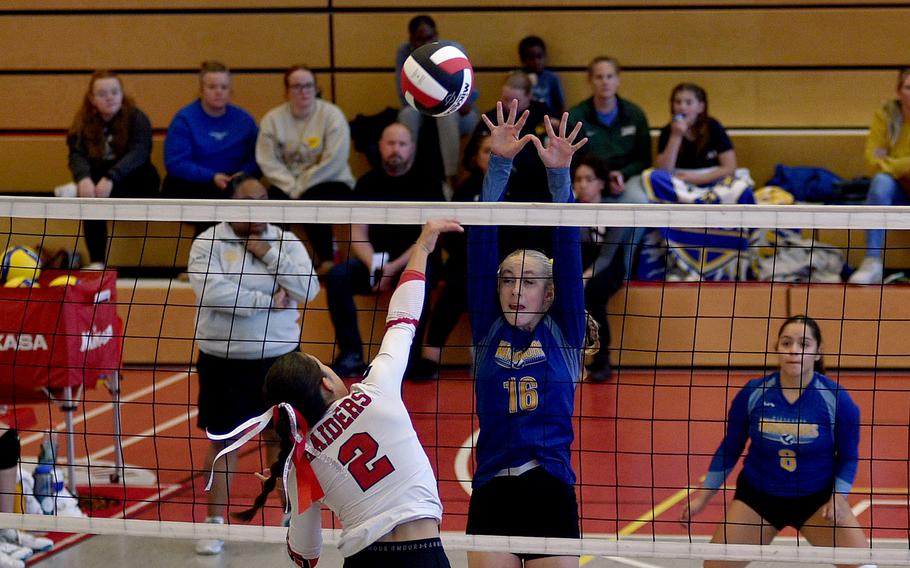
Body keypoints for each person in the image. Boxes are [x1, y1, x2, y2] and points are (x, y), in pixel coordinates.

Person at [210, 219, 463, 567]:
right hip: (423, 555)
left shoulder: (301, 459)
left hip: (364, 559)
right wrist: (422, 245)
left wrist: (295, 488)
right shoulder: (377, 389)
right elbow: (403, 317)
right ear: (326, 383)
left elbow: (306, 554)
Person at [466, 100, 588, 568]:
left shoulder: (565, 335)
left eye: (529, 282)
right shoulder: (488, 329)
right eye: (507, 280)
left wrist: (560, 176)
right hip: (493, 489)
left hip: (551, 491)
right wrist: (498, 165)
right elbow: (481, 240)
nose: (515, 291)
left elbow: (568, 247)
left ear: (550, 293)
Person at [187, 175, 320, 556]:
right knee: (222, 442)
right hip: (223, 360)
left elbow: (307, 288)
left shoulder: (284, 240)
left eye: (263, 199)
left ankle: (289, 517)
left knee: (282, 440)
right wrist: (268, 299)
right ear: (230, 203)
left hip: (280, 360)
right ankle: (214, 523)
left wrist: (267, 253)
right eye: (249, 201)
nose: (258, 207)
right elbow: (213, 292)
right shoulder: (208, 241)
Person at [681, 315, 870, 568]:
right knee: (715, 567)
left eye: (804, 344)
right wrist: (703, 498)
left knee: (864, 566)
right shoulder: (754, 393)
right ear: (777, 349)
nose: (794, 351)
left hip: (817, 500)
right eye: (786, 343)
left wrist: (839, 497)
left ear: (817, 352)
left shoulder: (837, 399)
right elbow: (730, 448)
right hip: (759, 499)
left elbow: (848, 457)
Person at [325, 122, 445, 379]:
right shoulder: (367, 183)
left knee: (424, 279)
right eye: (390, 143)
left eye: (402, 144)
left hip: (416, 259)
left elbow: (430, 236)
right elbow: (358, 234)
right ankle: (352, 355)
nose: (396, 150)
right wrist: (375, 266)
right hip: (375, 262)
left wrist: (395, 268)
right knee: (337, 277)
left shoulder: (429, 183)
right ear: (380, 146)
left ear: (411, 148)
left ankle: (409, 360)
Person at [256, 64, 356, 273]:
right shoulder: (272, 120)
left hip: (331, 180)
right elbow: (267, 161)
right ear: (286, 91)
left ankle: (326, 260)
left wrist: (303, 185)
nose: (303, 91)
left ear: (315, 88)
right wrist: (291, 186)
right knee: (271, 199)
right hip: (287, 184)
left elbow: (335, 160)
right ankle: (275, 261)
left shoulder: (332, 115)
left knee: (313, 197)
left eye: (308, 86)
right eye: (297, 86)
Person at [67, 70, 160, 269]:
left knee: (142, 174)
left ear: (122, 94)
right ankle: (97, 262)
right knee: (91, 198)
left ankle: (74, 191)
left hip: (137, 182)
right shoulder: (83, 123)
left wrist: (112, 177)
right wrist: (83, 178)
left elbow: (140, 152)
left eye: (114, 92)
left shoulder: (137, 118)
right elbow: (76, 154)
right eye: (102, 94)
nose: (110, 97)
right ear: (92, 99)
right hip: (102, 185)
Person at [567, 56, 651, 278]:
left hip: (625, 176)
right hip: (591, 176)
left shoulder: (635, 114)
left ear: (618, 80)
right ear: (591, 81)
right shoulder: (577, 116)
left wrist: (621, 175)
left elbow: (644, 159)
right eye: (599, 77)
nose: (605, 81)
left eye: (610, 76)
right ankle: (578, 272)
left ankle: (624, 270)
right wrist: (599, 180)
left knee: (639, 202)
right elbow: (572, 159)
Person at [422, 132, 492, 371]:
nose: (493, 157)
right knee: (456, 284)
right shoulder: (466, 188)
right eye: (487, 152)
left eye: (498, 152)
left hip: (506, 264)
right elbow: (452, 234)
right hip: (466, 263)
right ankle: (430, 356)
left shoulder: (519, 187)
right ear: (475, 157)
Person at [163, 61, 259, 233]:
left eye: (224, 87)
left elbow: (258, 157)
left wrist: (244, 173)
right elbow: (175, 162)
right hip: (194, 184)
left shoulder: (244, 120)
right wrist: (211, 176)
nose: (219, 91)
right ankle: (204, 258)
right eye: (212, 86)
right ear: (201, 90)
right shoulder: (184, 119)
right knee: (210, 204)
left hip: (234, 182)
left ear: (230, 90)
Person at [395, 14, 478, 187]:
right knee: (407, 114)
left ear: (437, 35)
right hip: (420, 108)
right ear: (411, 41)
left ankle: (451, 177)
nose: (426, 43)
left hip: (457, 111)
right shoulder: (404, 53)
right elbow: (404, 96)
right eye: (420, 40)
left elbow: (468, 100)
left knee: (446, 115)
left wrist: (447, 101)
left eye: (430, 37)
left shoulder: (453, 50)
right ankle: (406, 172)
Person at [849, 68, 910, 284]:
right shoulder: (885, 117)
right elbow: (872, 164)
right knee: (880, 183)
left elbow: (882, 161)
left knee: (885, 175)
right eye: (908, 88)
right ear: (898, 91)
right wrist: (904, 165)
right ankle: (872, 261)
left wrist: (891, 163)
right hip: (898, 193)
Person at [572, 154, 625, 382]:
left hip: (608, 267)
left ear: (601, 183)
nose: (583, 184)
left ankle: (602, 359)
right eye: (578, 179)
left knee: (593, 295)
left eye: (589, 179)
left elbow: (607, 256)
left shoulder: (616, 212)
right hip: (580, 263)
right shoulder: (569, 211)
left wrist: (584, 277)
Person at [655, 83, 736, 186]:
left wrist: (697, 179)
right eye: (678, 102)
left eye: (688, 103)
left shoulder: (713, 127)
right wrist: (676, 136)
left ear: (700, 107)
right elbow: (663, 171)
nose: (682, 107)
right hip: (679, 182)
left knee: (741, 187)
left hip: (710, 179)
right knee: (654, 178)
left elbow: (730, 168)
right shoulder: (667, 131)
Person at [518, 35, 565, 115]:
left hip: (548, 120)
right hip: (524, 120)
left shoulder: (551, 78)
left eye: (539, 57)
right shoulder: (517, 77)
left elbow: (560, 105)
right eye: (531, 58)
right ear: (523, 59)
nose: (536, 61)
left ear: (545, 56)